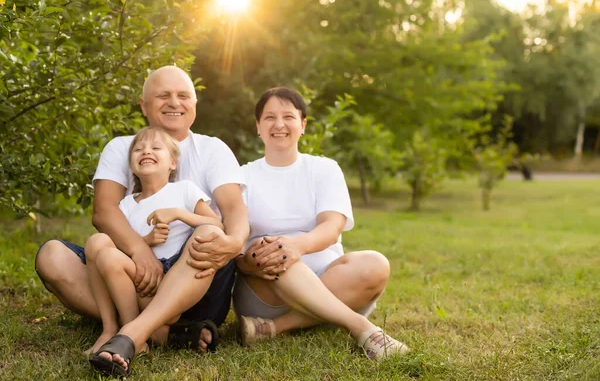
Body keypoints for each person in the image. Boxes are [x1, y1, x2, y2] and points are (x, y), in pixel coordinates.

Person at [34, 66, 248, 376]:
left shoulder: (213, 149)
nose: (174, 102)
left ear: (194, 104)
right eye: (163, 95)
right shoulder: (122, 147)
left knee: (208, 234)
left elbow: (234, 210)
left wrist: (234, 242)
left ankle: (131, 335)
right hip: (135, 274)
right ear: (143, 105)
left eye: (183, 95)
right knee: (52, 256)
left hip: (195, 278)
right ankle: (164, 334)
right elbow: (105, 211)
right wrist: (140, 249)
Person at [232, 87, 409, 360]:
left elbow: (332, 226)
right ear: (258, 126)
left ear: (303, 125)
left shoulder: (324, 169)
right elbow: (235, 235)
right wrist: (250, 261)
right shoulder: (242, 176)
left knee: (376, 263)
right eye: (269, 117)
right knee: (274, 250)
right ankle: (360, 326)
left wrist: (296, 246)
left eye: (288, 116)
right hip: (264, 289)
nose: (279, 124)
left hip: (333, 282)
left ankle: (276, 328)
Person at [85, 126, 223, 360]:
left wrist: (178, 214)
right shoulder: (126, 205)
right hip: (137, 281)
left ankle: (133, 333)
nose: (146, 151)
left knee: (207, 232)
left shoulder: (184, 190)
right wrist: (146, 241)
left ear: (173, 162)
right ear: (131, 166)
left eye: (155, 147)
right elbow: (118, 253)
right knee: (98, 243)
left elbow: (216, 225)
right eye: (138, 149)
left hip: (170, 284)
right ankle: (117, 331)